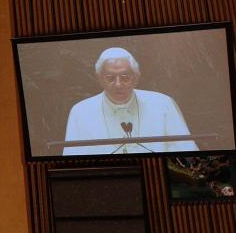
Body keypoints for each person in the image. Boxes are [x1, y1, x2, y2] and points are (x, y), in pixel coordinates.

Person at [63, 47, 197, 155]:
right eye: (110, 78)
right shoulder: (80, 111)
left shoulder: (163, 104)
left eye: (125, 77)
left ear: (136, 77)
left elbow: (188, 152)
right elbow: (72, 159)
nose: (118, 84)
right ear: (99, 78)